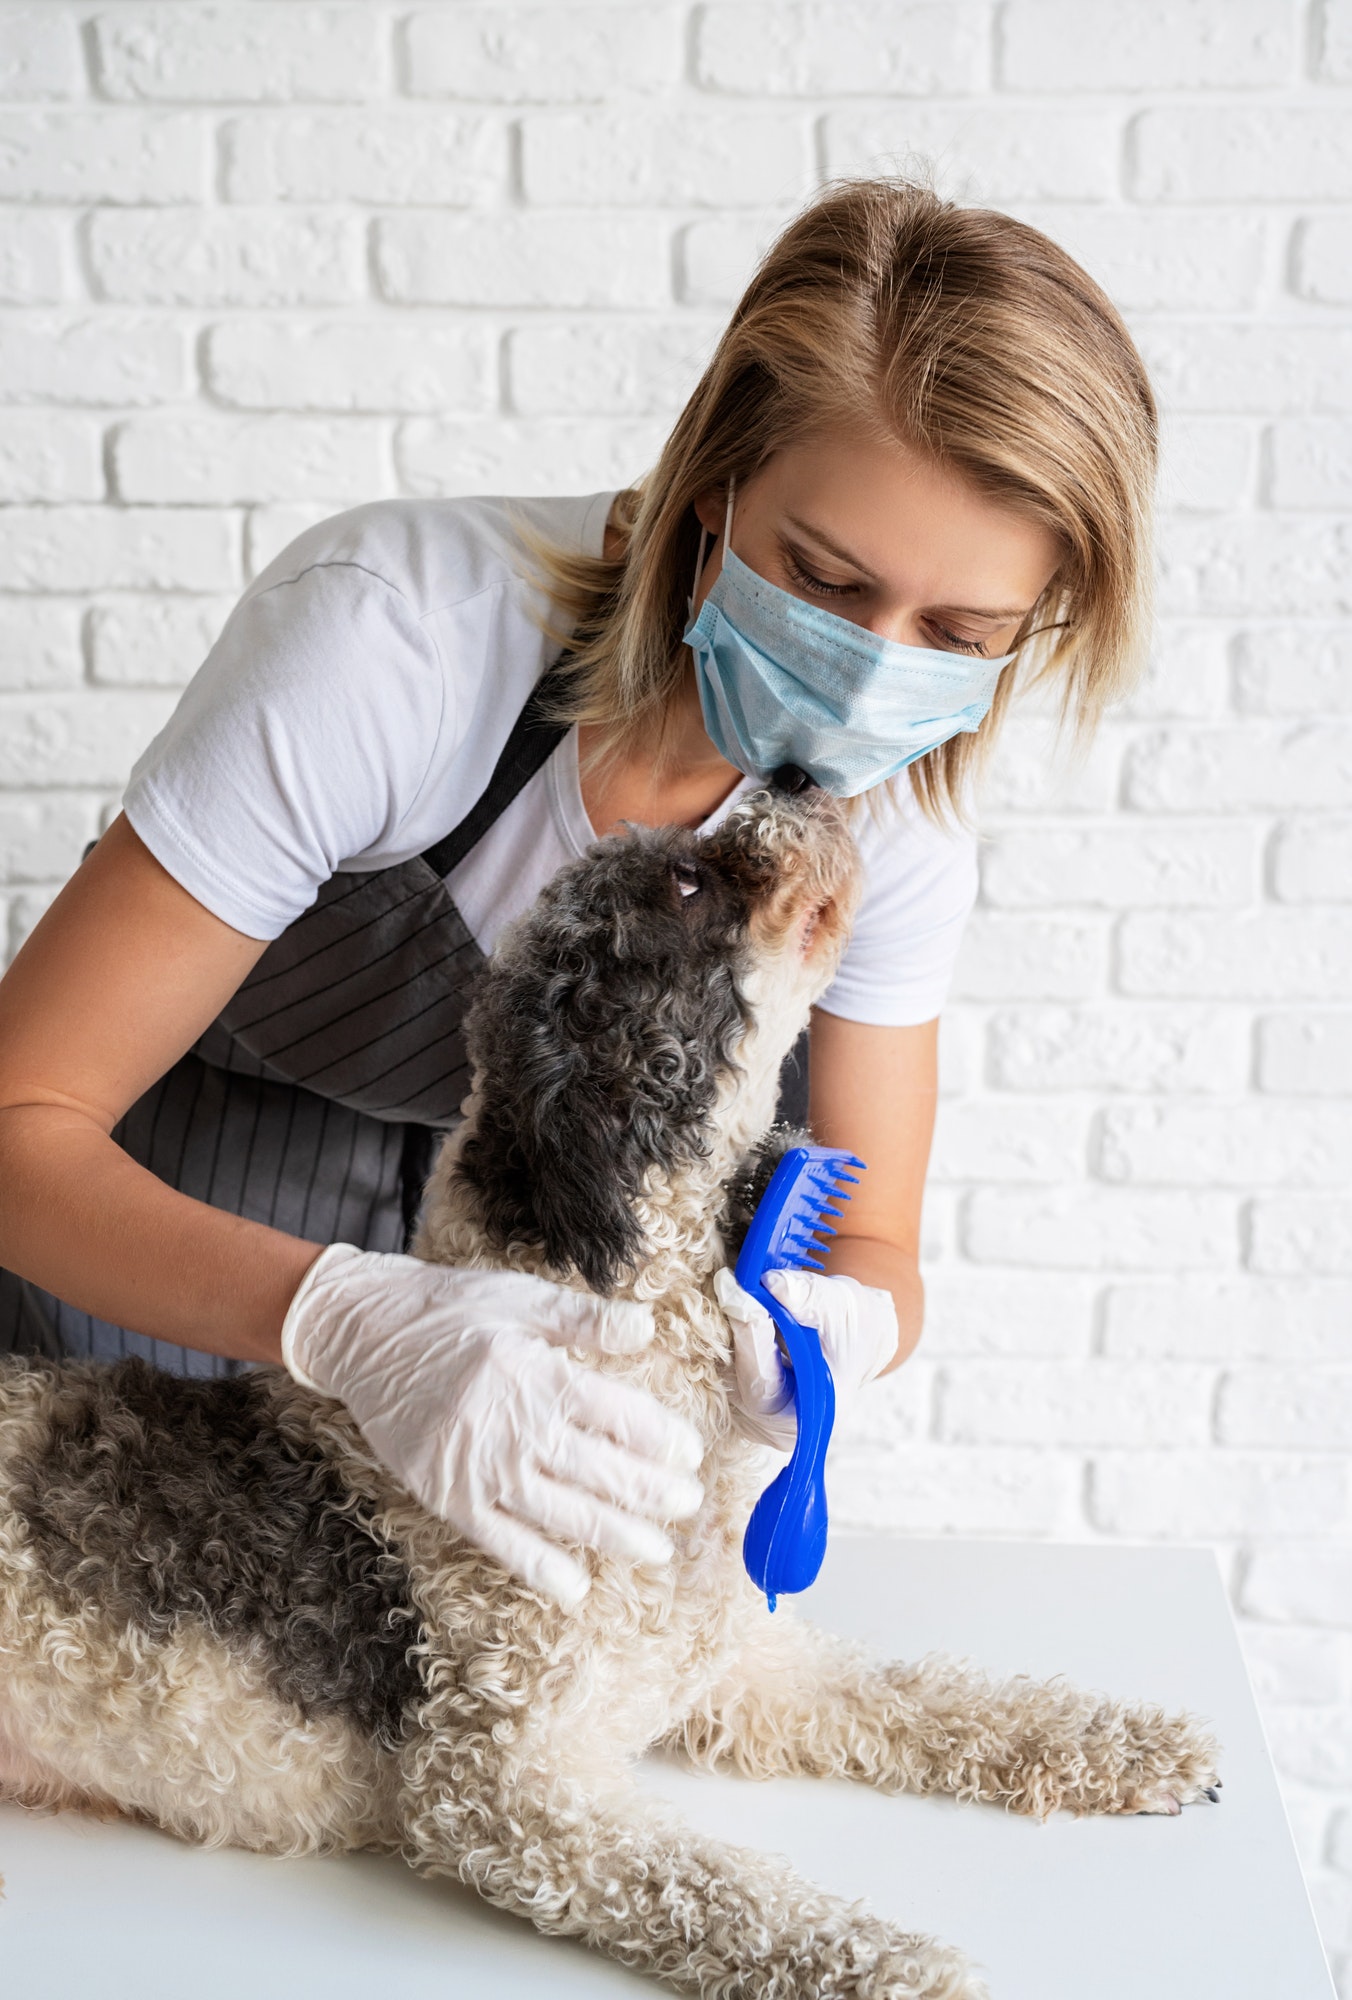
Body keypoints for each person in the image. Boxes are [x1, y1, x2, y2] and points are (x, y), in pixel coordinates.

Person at [0, 178, 1156, 1609]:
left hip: (514, 1492)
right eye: (823, 576)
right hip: (125, 1377)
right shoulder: (399, 644)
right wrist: (352, 1319)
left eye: (960, 632)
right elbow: (17, 1126)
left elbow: (873, 1241)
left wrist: (833, 1332)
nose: (870, 668)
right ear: (711, 481)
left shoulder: (896, 837)